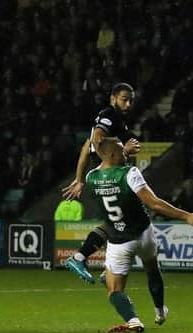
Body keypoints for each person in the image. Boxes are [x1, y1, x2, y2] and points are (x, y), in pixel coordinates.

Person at [86, 137, 193, 332]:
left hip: (119, 241)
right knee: (152, 269)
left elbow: (102, 160)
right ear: (111, 154)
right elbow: (154, 203)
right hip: (144, 234)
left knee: (114, 291)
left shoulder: (91, 178)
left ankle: (133, 320)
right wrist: (186, 216)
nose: (125, 154)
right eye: (121, 151)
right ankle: (160, 311)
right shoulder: (130, 173)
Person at [62, 83, 141, 283]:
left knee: (117, 221)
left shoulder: (117, 120)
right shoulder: (109, 115)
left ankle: (88, 260)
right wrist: (124, 151)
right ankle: (107, 265)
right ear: (113, 98)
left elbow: (86, 147)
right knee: (134, 220)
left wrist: (80, 179)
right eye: (124, 99)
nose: (128, 103)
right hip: (108, 174)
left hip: (105, 173)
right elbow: (96, 141)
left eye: (131, 100)